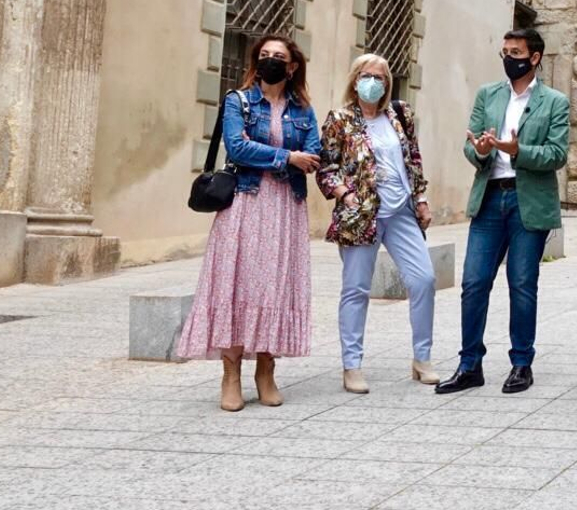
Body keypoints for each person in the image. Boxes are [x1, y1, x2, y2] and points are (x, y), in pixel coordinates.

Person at [177, 35, 320, 412]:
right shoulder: (236, 101)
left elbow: (315, 151)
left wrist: (296, 158)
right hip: (244, 202)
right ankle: (230, 374)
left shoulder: (303, 109)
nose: (271, 61)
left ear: (292, 67)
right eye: (265, 55)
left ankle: (266, 371)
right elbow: (237, 148)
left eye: (280, 57)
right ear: (256, 62)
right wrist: (288, 157)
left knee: (273, 286)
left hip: (285, 206)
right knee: (236, 284)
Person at [436, 28, 570, 396]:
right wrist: (481, 149)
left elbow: (557, 154)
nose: (510, 58)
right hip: (490, 199)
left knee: (522, 284)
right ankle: (469, 364)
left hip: (529, 202)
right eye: (505, 52)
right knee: (474, 282)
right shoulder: (488, 95)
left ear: (535, 57)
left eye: (516, 51)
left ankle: (521, 363)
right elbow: (472, 147)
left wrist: (518, 150)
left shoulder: (555, 101)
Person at [317, 54, 436, 394]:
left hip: (401, 212)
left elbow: (413, 158)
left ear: (388, 83)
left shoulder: (399, 115)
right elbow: (327, 167)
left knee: (424, 279)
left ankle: (422, 358)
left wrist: (422, 199)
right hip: (361, 215)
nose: (374, 82)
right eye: (367, 76)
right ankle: (351, 366)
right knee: (356, 289)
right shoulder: (340, 119)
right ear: (355, 80)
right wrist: (345, 195)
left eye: (380, 77)